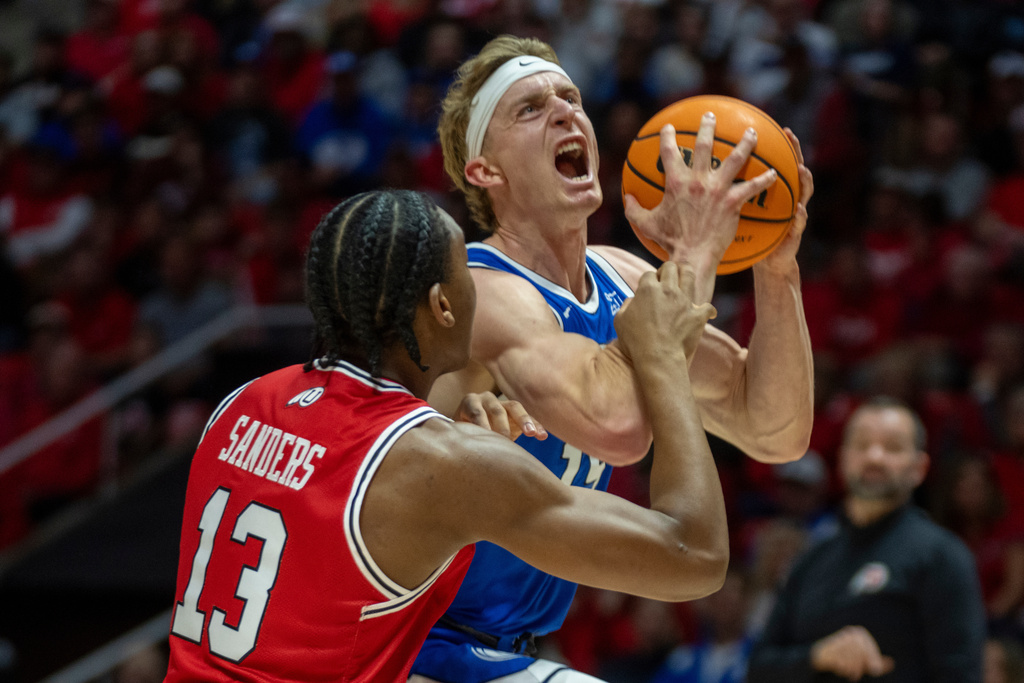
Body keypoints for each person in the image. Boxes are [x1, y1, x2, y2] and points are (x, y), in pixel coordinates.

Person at [164, 189, 733, 681]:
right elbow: (695, 555)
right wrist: (659, 358)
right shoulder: (437, 463)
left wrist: (449, 440)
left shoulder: (241, 403)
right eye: (469, 272)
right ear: (442, 305)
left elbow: (327, 548)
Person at [412, 34, 815, 681]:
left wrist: (774, 268)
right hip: (410, 640)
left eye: (570, 97)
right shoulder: (481, 291)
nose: (566, 111)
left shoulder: (624, 277)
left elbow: (774, 428)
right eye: (531, 108)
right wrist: (693, 256)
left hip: (506, 646)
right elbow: (618, 426)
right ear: (485, 171)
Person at [746, 396, 986, 682]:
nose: (875, 457)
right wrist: (819, 655)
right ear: (843, 459)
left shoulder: (943, 556)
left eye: (893, 447)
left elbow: (961, 673)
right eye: (862, 445)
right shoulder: (811, 562)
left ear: (919, 468)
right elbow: (758, 669)